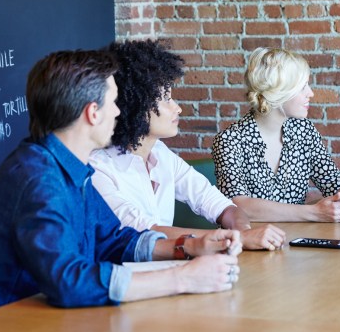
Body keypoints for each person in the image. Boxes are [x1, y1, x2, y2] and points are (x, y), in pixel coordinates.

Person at [0, 50, 241, 322]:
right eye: (113, 102)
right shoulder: (38, 181)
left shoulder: (67, 168)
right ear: (92, 113)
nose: (119, 112)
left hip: (46, 326)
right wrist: (183, 278)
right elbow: (68, 281)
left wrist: (187, 246)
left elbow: (113, 239)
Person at [90, 39, 286, 250]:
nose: (178, 108)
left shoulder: (160, 153)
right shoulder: (98, 168)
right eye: (165, 99)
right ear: (134, 105)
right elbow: (142, 232)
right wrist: (234, 238)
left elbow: (221, 206)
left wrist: (243, 232)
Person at [212, 47, 340, 223]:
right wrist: (313, 212)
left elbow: (335, 183)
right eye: (302, 87)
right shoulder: (229, 141)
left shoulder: (304, 130)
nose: (311, 93)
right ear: (279, 91)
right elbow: (237, 205)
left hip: (297, 241)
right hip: (248, 243)